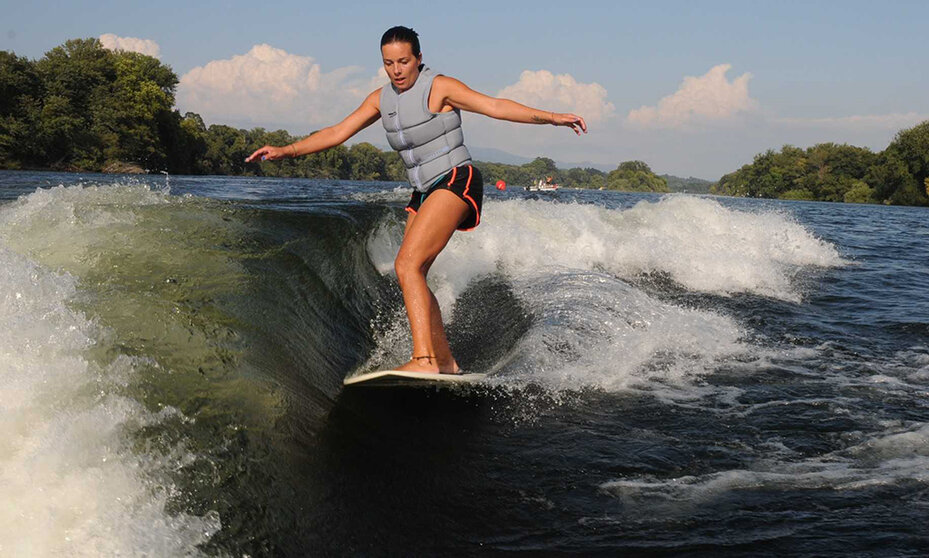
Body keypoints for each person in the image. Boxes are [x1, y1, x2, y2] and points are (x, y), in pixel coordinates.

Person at [246, 26, 586, 374]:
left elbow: (495, 106)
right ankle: (445, 360)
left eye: (404, 61)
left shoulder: (440, 87)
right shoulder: (381, 99)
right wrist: (286, 150)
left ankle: (423, 360)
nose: (396, 70)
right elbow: (338, 132)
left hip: (456, 178)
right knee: (413, 271)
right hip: (422, 190)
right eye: (388, 63)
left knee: (406, 265)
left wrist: (552, 118)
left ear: (419, 59)